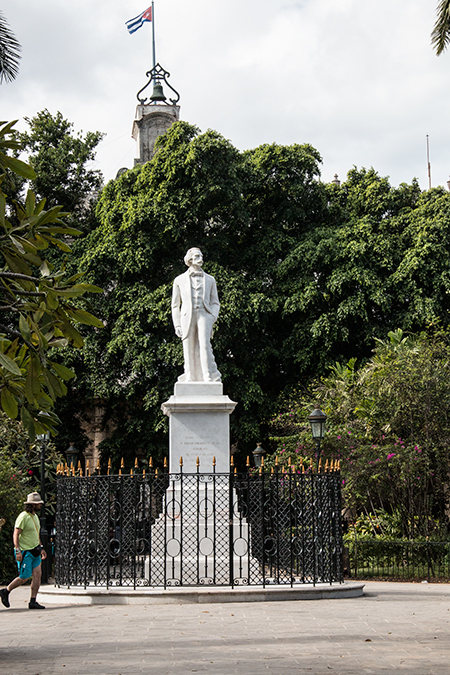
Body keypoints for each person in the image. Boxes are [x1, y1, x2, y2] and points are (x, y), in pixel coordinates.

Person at [171, 247, 221, 382]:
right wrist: (177, 325)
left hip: (204, 315)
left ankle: (208, 376)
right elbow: (175, 306)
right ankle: (190, 377)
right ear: (190, 259)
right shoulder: (179, 280)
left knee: (205, 345)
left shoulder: (210, 280)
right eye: (198, 256)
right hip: (187, 316)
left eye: (201, 256)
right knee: (188, 347)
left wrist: (212, 317)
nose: (201, 259)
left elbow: (215, 302)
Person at [0, 492, 47, 610]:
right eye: (38, 504)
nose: (40, 505)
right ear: (32, 505)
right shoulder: (23, 517)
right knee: (24, 577)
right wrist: (18, 550)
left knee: (37, 575)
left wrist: (41, 547)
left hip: (35, 550)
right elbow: (16, 534)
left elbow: (36, 534)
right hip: (26, 551)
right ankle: (6, 591)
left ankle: (33, 600)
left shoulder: (35, 516)